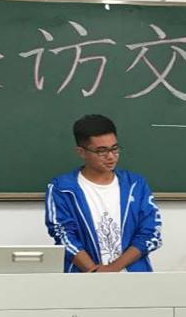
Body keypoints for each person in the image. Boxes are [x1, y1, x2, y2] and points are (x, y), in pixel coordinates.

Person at [45, 114, 162, 273]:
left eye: (114, 148)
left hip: (134, 276)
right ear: (81, 152)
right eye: (101, 151)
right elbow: (63, 234)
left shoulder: (135, 184)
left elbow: (150, 232)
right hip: (84, 276)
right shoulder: (62, 188)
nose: (111, 156)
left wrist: (113, 268)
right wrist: (94, 272)